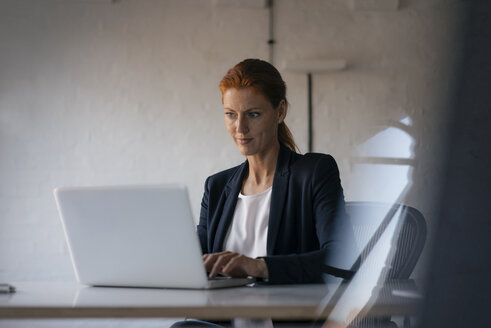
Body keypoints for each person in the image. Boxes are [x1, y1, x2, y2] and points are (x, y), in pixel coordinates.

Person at [198, 58, 354, 284]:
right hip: (220, 318)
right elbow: (194, 263)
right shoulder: (217, 186)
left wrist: (260, 266)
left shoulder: (313, 173)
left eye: (253, 114)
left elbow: (343, 257)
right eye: (231, 114)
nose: (240, 128)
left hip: (286, 317)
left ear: (280, 111)